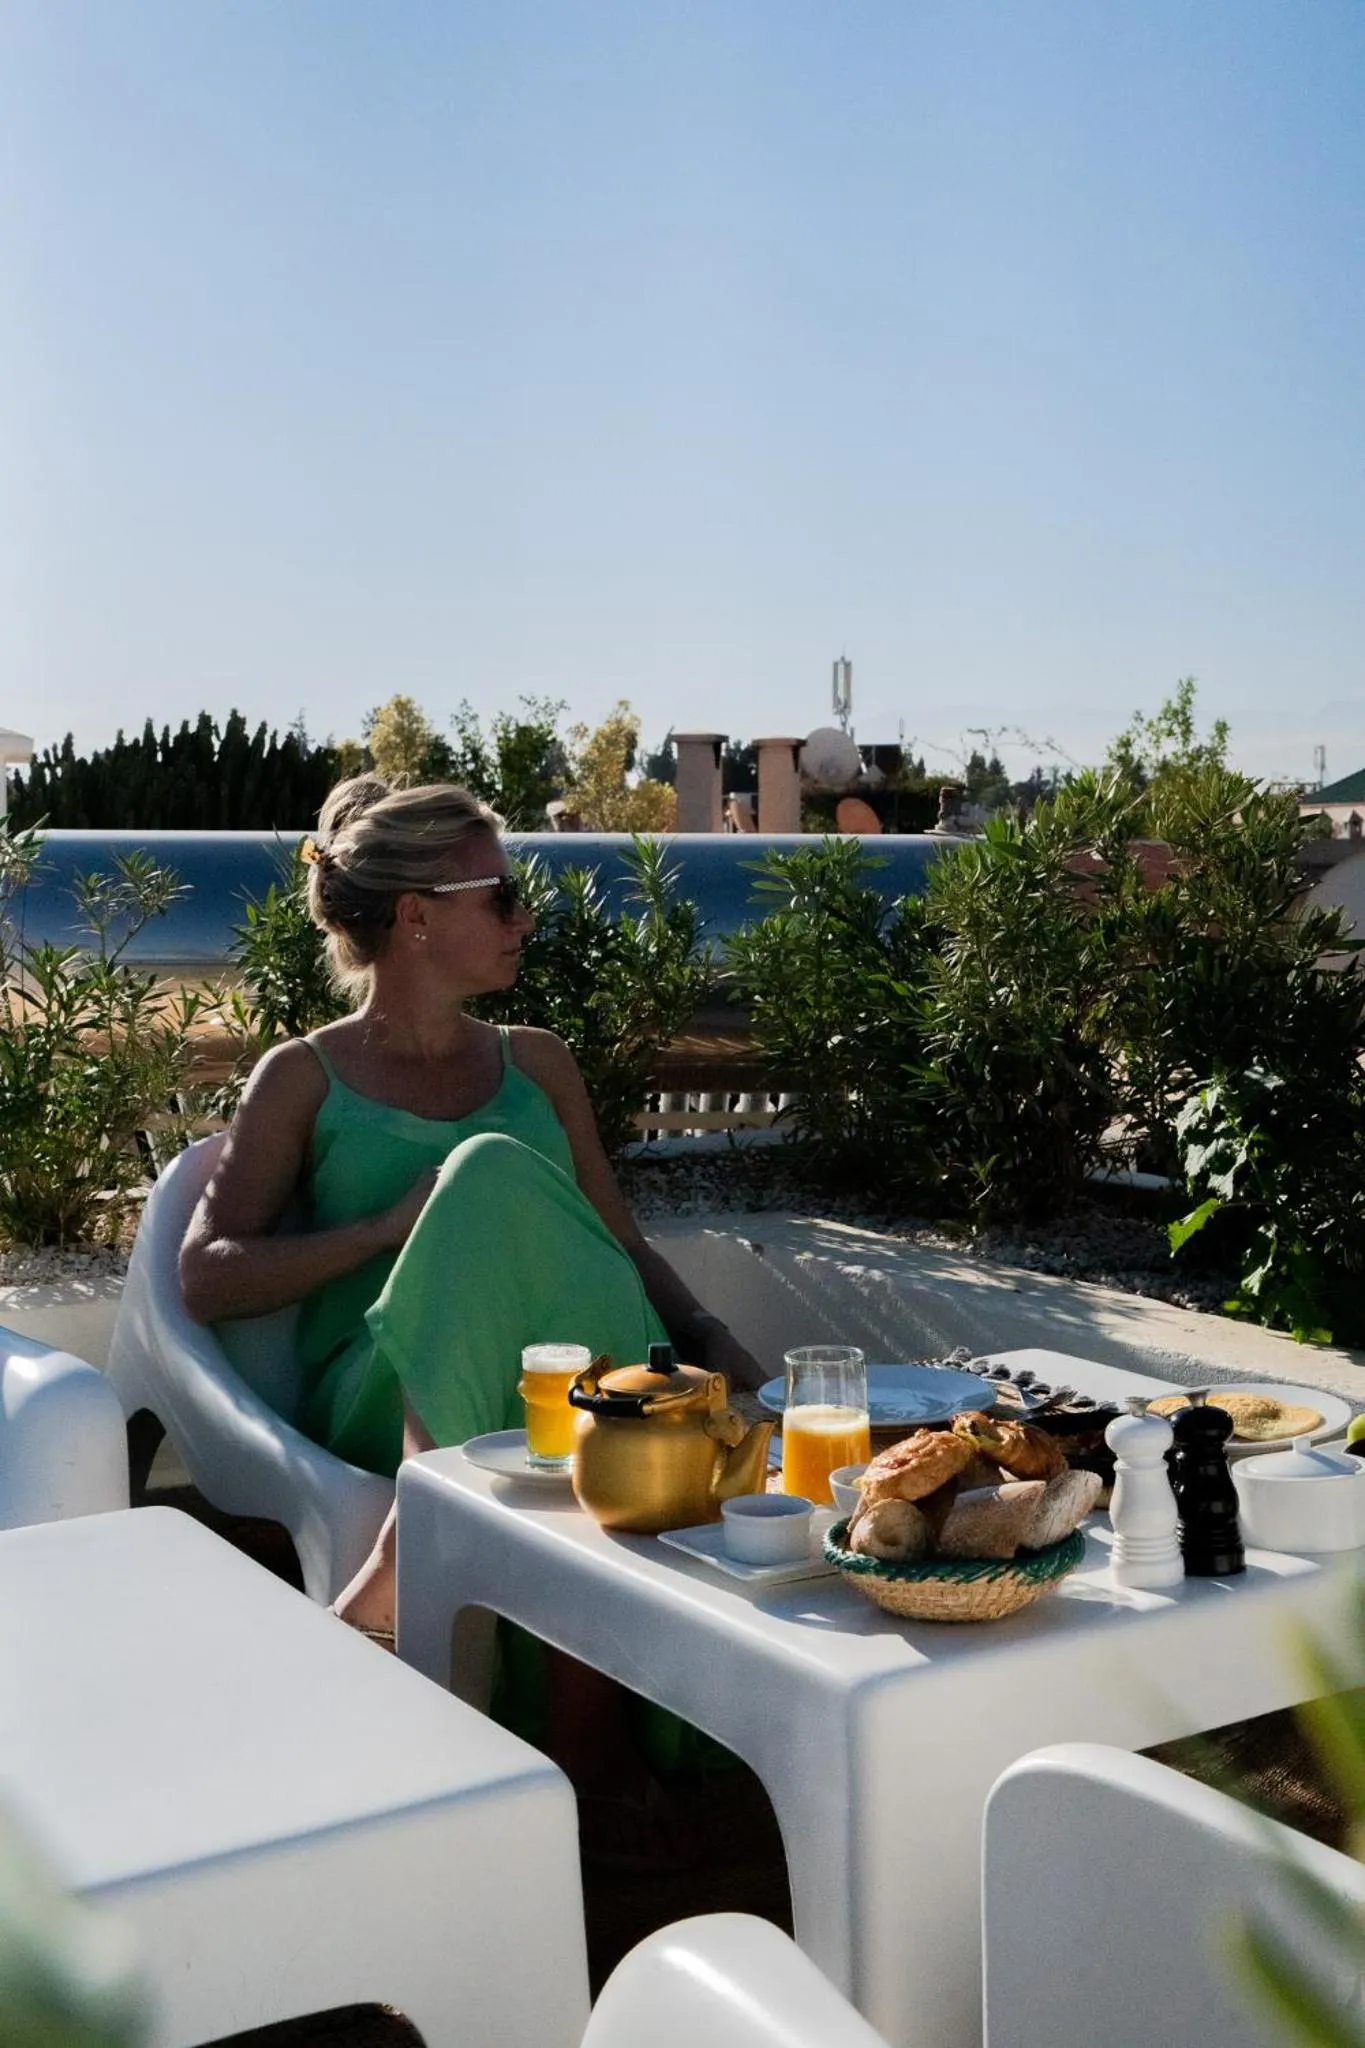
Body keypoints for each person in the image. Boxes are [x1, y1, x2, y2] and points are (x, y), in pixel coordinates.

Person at [180, 774, 765, 1651]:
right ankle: (430, 1514)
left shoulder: (538, 1063)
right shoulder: (303, 1076)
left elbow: (612, 1242)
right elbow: (205, 1277)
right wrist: (385, 1231)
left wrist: (707, 1329)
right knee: (489, 1170)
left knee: (544, 1274)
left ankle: (438, 1575)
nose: (523, 918)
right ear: (415, 916)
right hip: (390, 1380)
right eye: (502, 897)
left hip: (569, 1373)